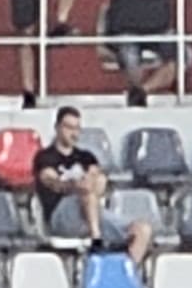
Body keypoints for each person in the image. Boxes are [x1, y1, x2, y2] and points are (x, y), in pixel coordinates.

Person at [31, 106, 149, 260]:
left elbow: (98, 180)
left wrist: (88, 185)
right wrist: (76, 186)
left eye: (77, 128)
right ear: (57, 128)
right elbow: (51, 181)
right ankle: (96, 240)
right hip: (61, 214)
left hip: (92, 212)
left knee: (142, 230)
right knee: (86, 192)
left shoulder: (86, 157)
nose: (74, 133)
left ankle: (125, 272)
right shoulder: (45, 156)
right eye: (69, 127)